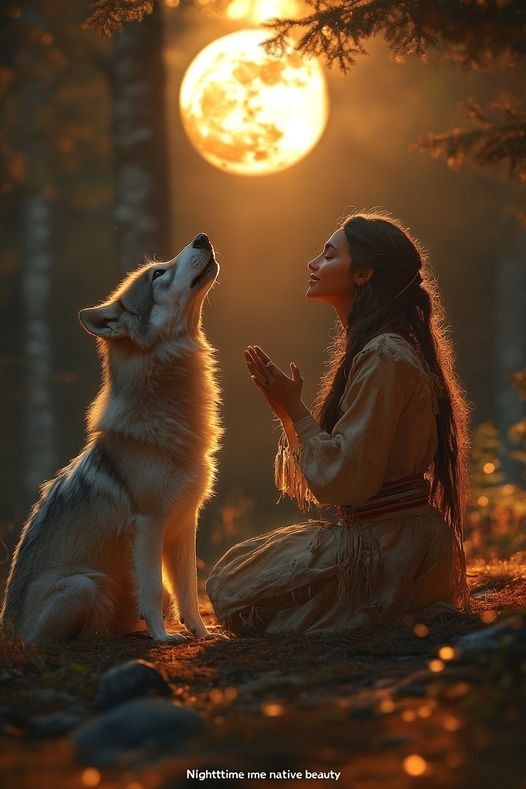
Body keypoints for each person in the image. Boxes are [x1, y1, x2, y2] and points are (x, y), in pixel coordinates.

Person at [206, 210, 473, 635]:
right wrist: (286, 409)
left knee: (229, 589)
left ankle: (385, 604)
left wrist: (296, 410)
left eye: (329, 256)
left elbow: (345, 479)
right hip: (393, 540)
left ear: (363, 273)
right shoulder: (383, 347)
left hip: (385, 547)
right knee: (234, 571)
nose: (314, 264)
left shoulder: (385, 355)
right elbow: (343, 470)